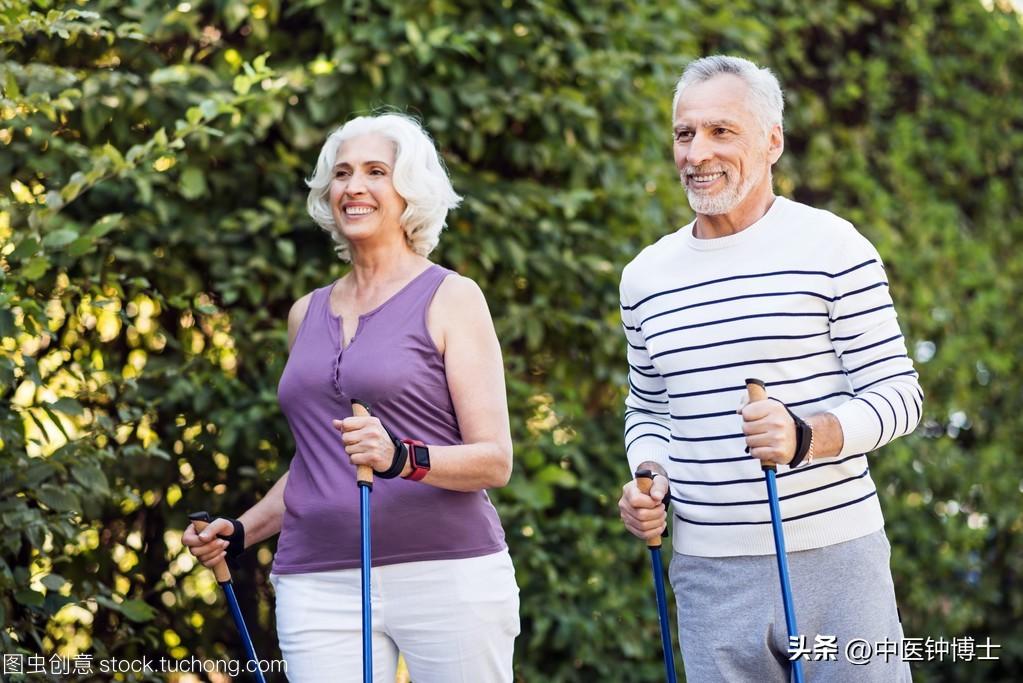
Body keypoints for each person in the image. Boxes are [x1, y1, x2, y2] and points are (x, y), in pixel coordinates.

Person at [182, 113, 520, 683]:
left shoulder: (452, 297)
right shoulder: (304, 314)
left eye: (375, 172)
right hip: (316, 579)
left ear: (409, 191)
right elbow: (317, 465)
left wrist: (400, 457)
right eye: (341, 173)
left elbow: (494, 459)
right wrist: (240, 530)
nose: (353, 187)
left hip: (447, 572)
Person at [617, 55, 921, 682]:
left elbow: (900, 395)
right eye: (684, 133)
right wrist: (650, 476)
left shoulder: (833, 246)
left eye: (721, 131)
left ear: (772, 140)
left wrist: (807, 436)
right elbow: (648, 411)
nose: (697, 153)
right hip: (707, 576)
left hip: (835, 562)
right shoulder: (645, 278)